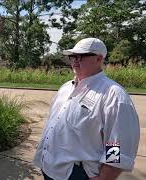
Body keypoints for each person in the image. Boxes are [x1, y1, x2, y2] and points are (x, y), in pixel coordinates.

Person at [33, 38, 140, 180]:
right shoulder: (66, 87)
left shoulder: (113, 95)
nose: (75, 60)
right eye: (72, 56)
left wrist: (105, 177)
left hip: (76, 174)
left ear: (99, 59)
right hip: (49, 167)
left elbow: (116, 142)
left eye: (81, 56)